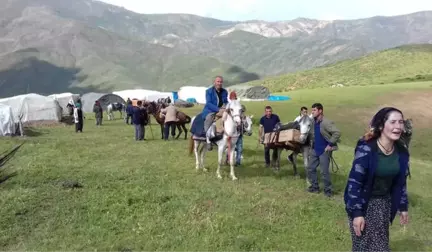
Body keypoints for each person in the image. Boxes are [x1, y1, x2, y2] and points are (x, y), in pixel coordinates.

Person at [344, 107, 409, 252]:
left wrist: (403, 206)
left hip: (383, 205)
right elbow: (354, 183)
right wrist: (357, 213)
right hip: (363, 204)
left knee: (380, 246)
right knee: (362, 247)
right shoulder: (367, 149)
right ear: (381, 126)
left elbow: (401, 182)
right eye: (393, 122)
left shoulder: (401, 151)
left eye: (400, 122)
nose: (398, 126)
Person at [307, 103, 341, 197]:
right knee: (310, 168)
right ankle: (315, 187)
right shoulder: (313, 121)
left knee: (324, 172)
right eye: (312, 110)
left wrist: (330, 144)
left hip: (324, 150)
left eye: (314, 110)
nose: (312, 112)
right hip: (314, 149)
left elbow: (337, 133)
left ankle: (328, 190)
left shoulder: (326, 122)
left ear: (320, 111)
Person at [201, 76, 228, 150]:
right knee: (208, 119)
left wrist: (226, 107)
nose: (219, 83)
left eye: (221, 82)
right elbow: (208, 103)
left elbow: (225, 101)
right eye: (218, 81)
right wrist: (218, 109)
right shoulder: (209, 91)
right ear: (214, 82)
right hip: (211, 110)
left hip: (222, 110)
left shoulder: (224, 91)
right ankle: (207, 139)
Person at [225, 91, 245, 166]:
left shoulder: (239, 104)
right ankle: (227, 160)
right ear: (230, 98)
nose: (233, 98)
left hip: (239, 131)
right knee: (229, 147)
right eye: (232, 97)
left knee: (239, 148)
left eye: (234, 97)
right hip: (231, 131)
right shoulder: (229, 104)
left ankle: (238, 162)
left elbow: (243, 114)